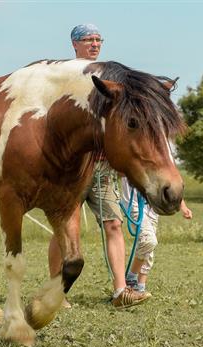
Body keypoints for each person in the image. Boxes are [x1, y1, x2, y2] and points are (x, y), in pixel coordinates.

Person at [47, 23, 151, 309]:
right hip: (73, 169)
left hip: (103, 167)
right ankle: (57, 291)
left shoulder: (108, 78)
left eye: (98, 39)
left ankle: (121, 292)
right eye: (88, 39)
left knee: (114, 224)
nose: (94, 44)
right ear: (74, 44)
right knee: (64, 231)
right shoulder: (65, 77)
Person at [121, 177, 193, 294]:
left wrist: (183, 207)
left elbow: (170, 184)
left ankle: (140, 287)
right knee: (149, 241)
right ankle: (130, 277)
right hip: (134, 205)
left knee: (149, 249)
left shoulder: (157, 162)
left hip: (153, 209)